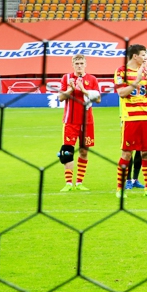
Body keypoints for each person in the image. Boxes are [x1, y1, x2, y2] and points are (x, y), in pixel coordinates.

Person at [113, 44, 147, 198]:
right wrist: (137, 80)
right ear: (135, 56)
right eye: (143, 55)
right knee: (127, 153)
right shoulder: (121, 71)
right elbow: (121, 93)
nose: (146, 58)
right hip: (130, 118)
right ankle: (120, 189)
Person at [57, 54, 100, 192]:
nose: (79, 66)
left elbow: (98, 99)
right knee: (67, 151)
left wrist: (83, 90)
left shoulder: (92, 79)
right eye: (77, 63)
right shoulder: (66, 78)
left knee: (84, 151)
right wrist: (71, 88)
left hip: (87, 121)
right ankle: (69, 184)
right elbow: (61, 98)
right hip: (70, 121)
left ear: (85, 64)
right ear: (73, 65)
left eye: (81, 63)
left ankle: (79, 182)